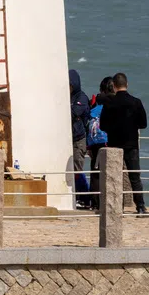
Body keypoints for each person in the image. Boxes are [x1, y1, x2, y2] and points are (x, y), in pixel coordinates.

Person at [98, 72, 148, 213]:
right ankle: (140, 206)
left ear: (113, 86)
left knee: (115, 176)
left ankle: (116, 206)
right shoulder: (136, 102)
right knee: (135, 177)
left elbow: (102, 125)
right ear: (127, 84)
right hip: (131, 144)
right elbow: (143, 123)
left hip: (114, 144)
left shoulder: (109, 103)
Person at [85, 77, 113, 211]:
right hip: (107, 140)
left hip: (93, 141)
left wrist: (88, 145)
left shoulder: (94, 105)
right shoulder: (111, 104)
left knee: (95, 172)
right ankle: (108, 202)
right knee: (109, 173)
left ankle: (94, 202)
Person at [69, 69, 91, 210]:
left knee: (77, 169)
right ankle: (77, 197)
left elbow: (73, 113)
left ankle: (84, 197)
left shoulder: (81, 98)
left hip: (78, 139)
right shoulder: (67, 97)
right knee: (72, 170)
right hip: (68, 139)